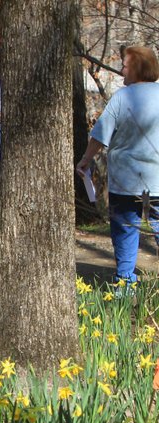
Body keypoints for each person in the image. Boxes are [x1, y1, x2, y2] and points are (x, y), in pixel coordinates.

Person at [76, 46, 159, 287]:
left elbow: (101, 135)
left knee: (124, 231)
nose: (121, 69)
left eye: (124, 65)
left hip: (125, 180)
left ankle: (125, 284)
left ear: (136, 69)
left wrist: (86, 159)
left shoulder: (123, 97)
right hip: (157, 179)